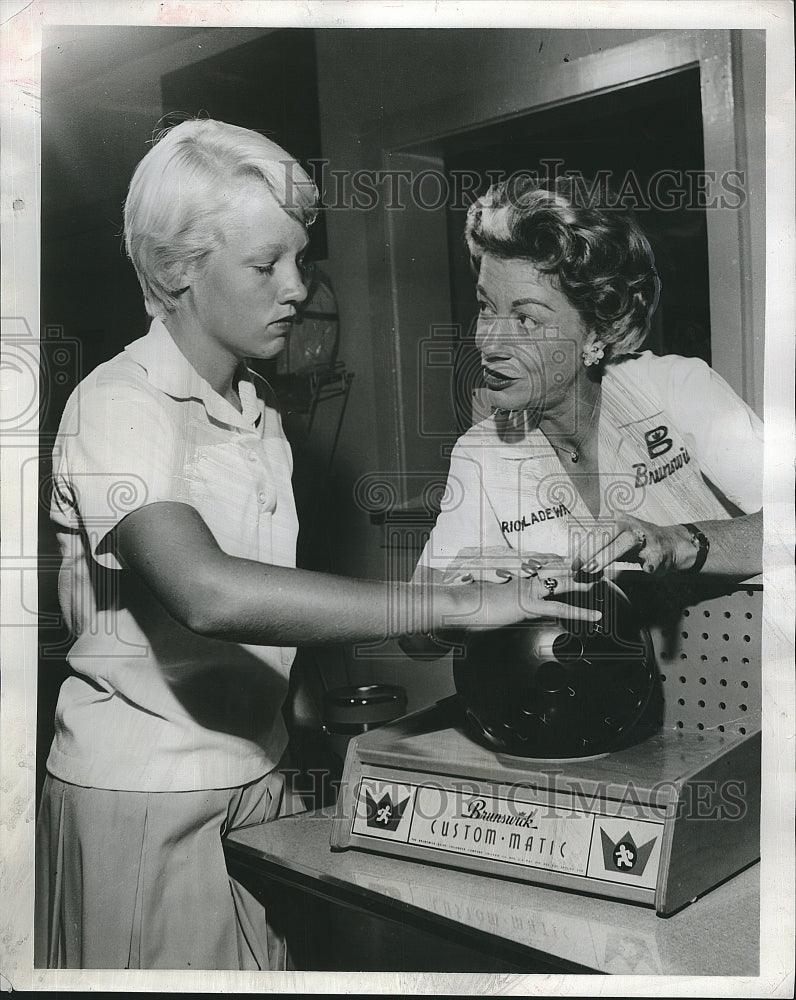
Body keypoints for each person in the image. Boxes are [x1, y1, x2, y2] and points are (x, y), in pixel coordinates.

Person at [34, 121, 601, 972]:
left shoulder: (258, 414)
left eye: (300, 259)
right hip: (147, 793)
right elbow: (209, 595)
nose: (298, 288)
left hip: (259, 775)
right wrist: (458, 601)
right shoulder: (120, 403)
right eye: (267, 266)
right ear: (178, 271)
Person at [404, 174, 763, 656]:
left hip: (740, 675)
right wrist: (459, 597)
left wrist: (676, 541)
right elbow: (414, 641)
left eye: (527, 319)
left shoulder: (677, 388)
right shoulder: (484, 452)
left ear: (598, 329)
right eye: (486, 309)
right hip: (596, 704)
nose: (488, 343)